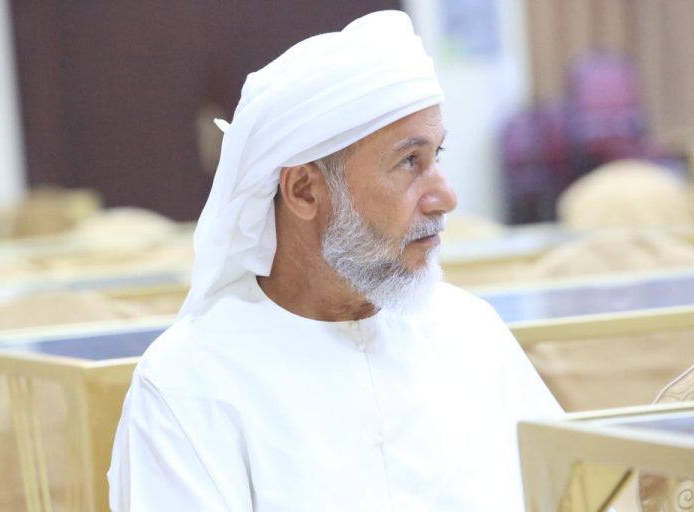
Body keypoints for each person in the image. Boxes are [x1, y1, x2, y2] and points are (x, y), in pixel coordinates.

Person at [108, 10, 561, 511]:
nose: (446, 197)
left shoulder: (472, 332)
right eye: (409, 162)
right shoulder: (189, 381)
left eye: (438, 156)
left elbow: (571, 494)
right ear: (304, 191)